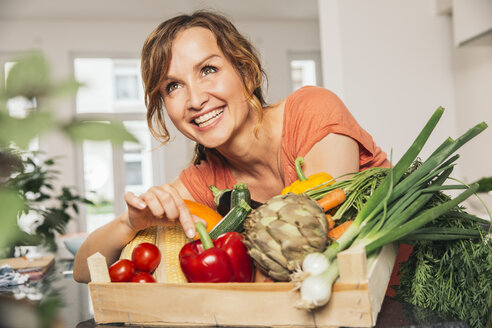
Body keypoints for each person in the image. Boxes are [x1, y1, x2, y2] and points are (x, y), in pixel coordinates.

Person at [73, 11, 389, 283]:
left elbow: (313, 250)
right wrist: (130, 222)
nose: (195, 100)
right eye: (173, 86)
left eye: (208, 70)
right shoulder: (203, 181)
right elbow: (83, 269)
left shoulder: (312, 112)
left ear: (248, 72)